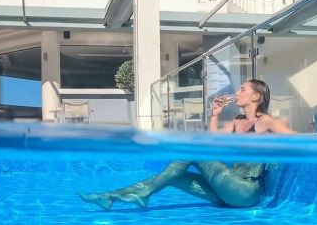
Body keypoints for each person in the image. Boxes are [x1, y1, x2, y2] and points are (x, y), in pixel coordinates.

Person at [78, 78, 294, 210]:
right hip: (226, 190)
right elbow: (212, 142)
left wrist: (277, 150)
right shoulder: (237, 121)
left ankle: (141, 194)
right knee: (174, 177)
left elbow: (296, 138)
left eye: (242, 90)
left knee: (191, 150)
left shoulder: (266, 121)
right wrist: (215, 114)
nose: (237, 93)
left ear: (256, 96)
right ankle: (111, 197)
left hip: (245, 192)